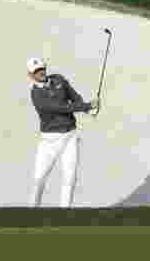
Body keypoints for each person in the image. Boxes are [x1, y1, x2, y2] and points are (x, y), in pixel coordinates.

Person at [26, 56, 99, 208]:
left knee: (70, 176)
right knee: (39, 178)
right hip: (49, 141)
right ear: (30, 75)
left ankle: (64, 212)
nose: (40, 72)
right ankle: (31, 212)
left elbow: (73, 96)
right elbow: (60, 108)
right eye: (36, 71)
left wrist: (88, 109)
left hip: (70, 136)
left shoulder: (59, 79)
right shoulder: (36, 94)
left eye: (41, 69)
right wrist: (86, 107)